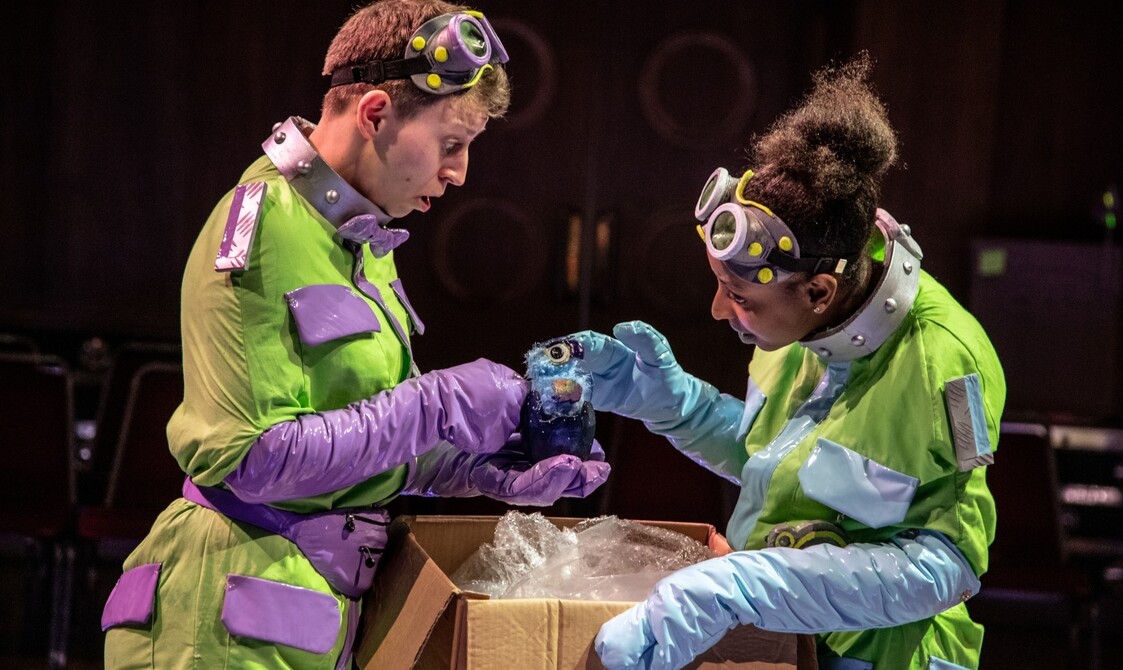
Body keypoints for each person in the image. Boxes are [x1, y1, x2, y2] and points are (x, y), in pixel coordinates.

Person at [100, 1, 609, 667]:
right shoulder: (265, 226)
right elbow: (251, 462)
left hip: (302, 616)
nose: (458, 173)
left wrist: (480, 470)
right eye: (451, 144)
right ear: (374, 114)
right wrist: (435, 406)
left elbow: (352, 444)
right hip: (217, 627)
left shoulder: (359, 237)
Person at [564, 54, 1005, 670]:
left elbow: (944, 569)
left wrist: (739, 588)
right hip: (788, 646)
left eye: (739, 296)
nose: (720, 310)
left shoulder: (940, 362)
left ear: (820, 291)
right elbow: (777, 462)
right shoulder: (812, 328)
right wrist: (670, 404)